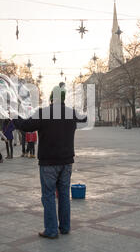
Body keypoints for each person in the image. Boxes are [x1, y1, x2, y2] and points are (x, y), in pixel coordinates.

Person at [14, 83, 87, 239]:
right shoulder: (71, 113)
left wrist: (14, 115)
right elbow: (85, 118)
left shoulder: (44, 113)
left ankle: (51, 230)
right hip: (67, 162)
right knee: (64, 195)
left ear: (51, 98)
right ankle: (65, 227)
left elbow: (25, 126)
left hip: (48, 163)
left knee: (48, 196)